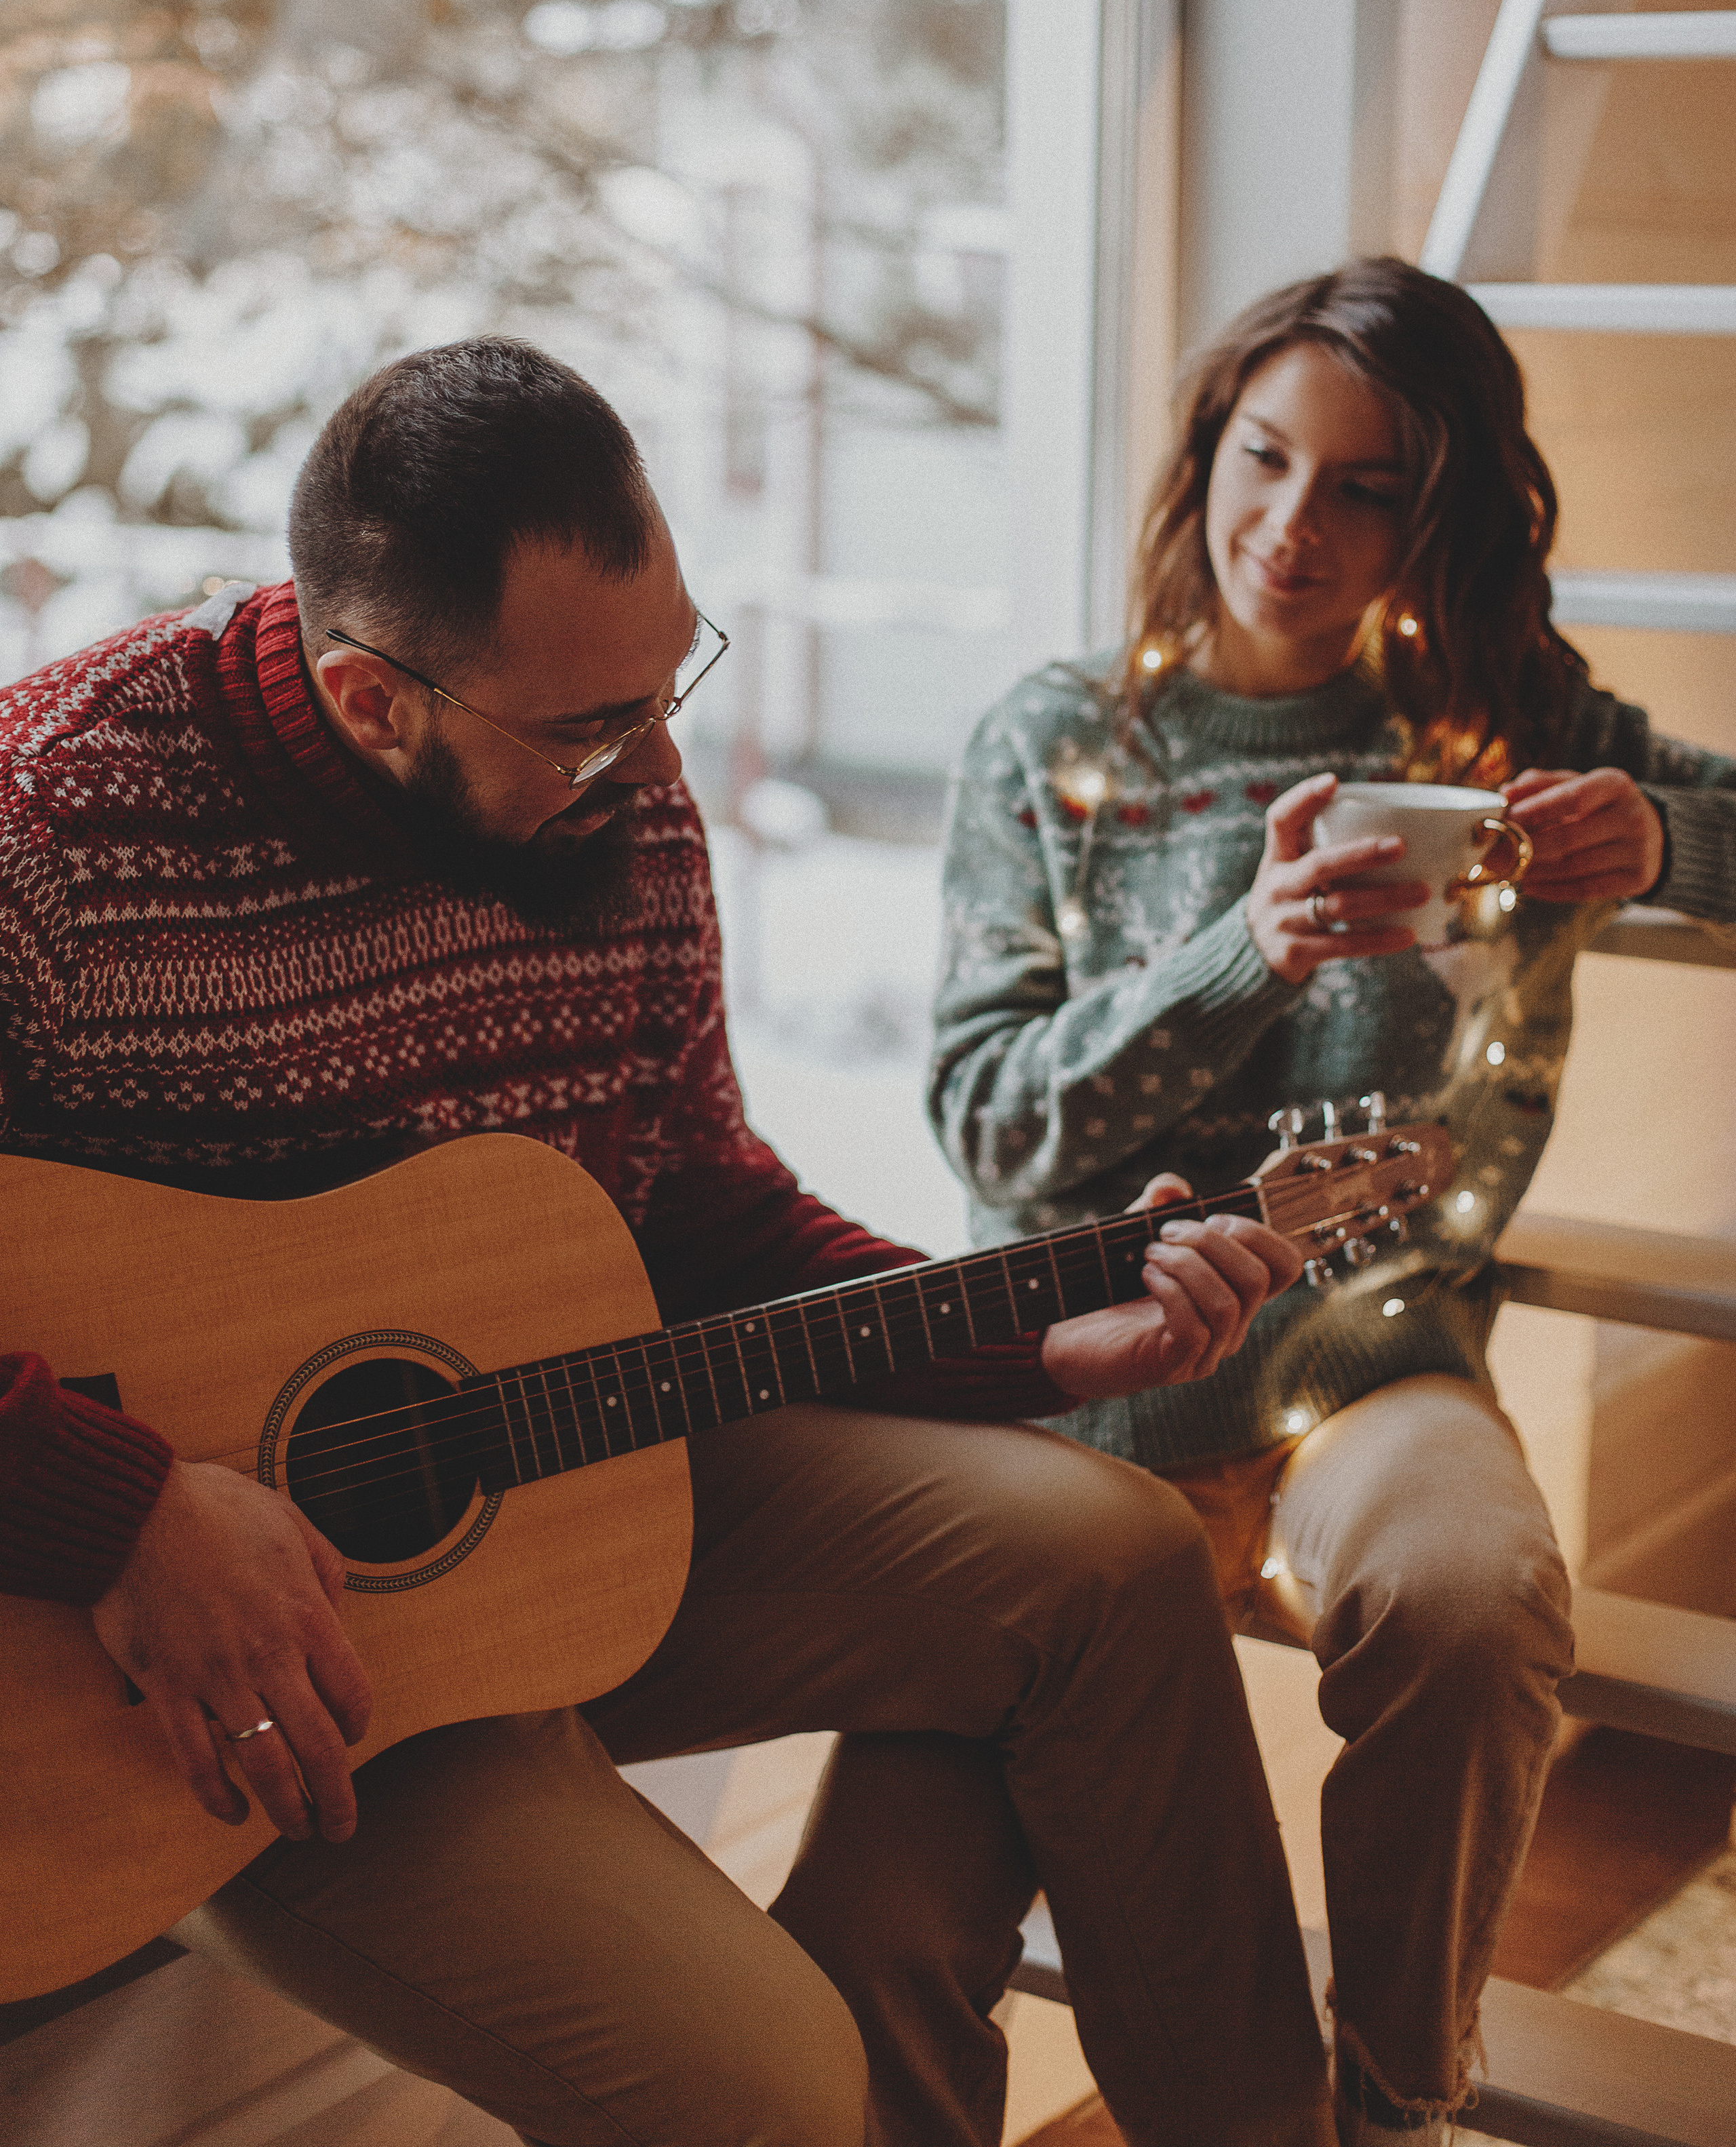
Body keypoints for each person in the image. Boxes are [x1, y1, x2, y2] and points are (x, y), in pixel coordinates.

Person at [0, 337, 1339, 2147]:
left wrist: (1038, 1340)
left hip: (562, 1505)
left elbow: (698, 1210)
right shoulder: (56, 823)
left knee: (1111, 1558)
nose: (650, 758)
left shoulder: (617, 786)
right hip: (211, 1699)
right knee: (778, 2091)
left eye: (667, 679)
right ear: (374, 701)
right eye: (584, 726)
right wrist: (124, 1506)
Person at [928, 258, 1736, 2146]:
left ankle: (1393, 2110)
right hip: (1086, 1393)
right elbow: (995, 1134)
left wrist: (1670, 836)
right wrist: (1241, 957)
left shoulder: (1496, 714)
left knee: (1471, 1597)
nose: (1292, 526)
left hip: (1372, 1373)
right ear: (1208, 446)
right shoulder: (1063, 744)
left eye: (1365, 486)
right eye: (1265, 457)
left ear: (1439, 514)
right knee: (898, 1889)